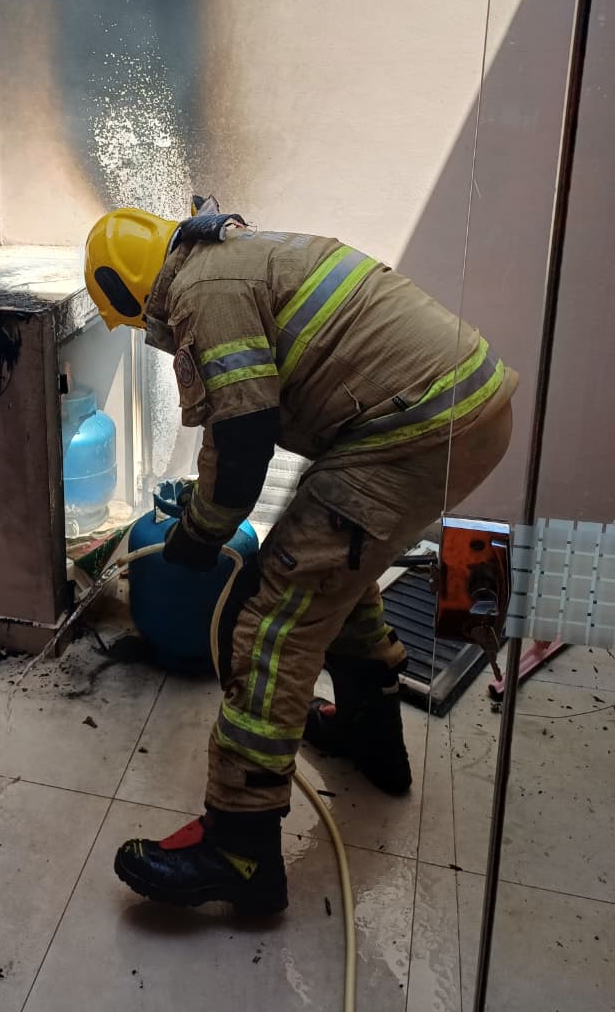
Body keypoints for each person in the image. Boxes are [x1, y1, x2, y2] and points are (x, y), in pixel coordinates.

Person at [83, 199, 517, 915]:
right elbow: (233, 421)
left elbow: (244, 441)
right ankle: (369, 735)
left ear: (129, 290)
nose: (151, 337)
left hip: (416, 430)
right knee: (332, 568)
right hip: (458, 410)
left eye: (137, 323)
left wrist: (199, 535)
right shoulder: (229, 257)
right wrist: (203, 517)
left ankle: (239, 848)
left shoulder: (201, 291)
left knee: (274, 622)